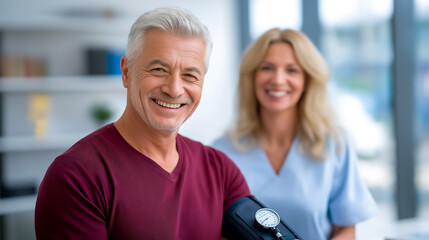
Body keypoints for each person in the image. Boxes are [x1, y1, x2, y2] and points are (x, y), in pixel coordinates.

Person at [35, 7, 251, 240]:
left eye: (190, 75)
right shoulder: (76, 177)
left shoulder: (220, 171)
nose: (174, 89)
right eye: (159, 70)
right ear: (126, 72)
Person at [212, 28, 377, 240]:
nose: (278, 80)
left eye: (292, 70)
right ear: (251, 77)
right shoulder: (221, 151)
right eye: (267, 68)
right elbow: (215, 230)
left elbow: (345, 230)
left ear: (307, 80)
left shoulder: (334, 144)